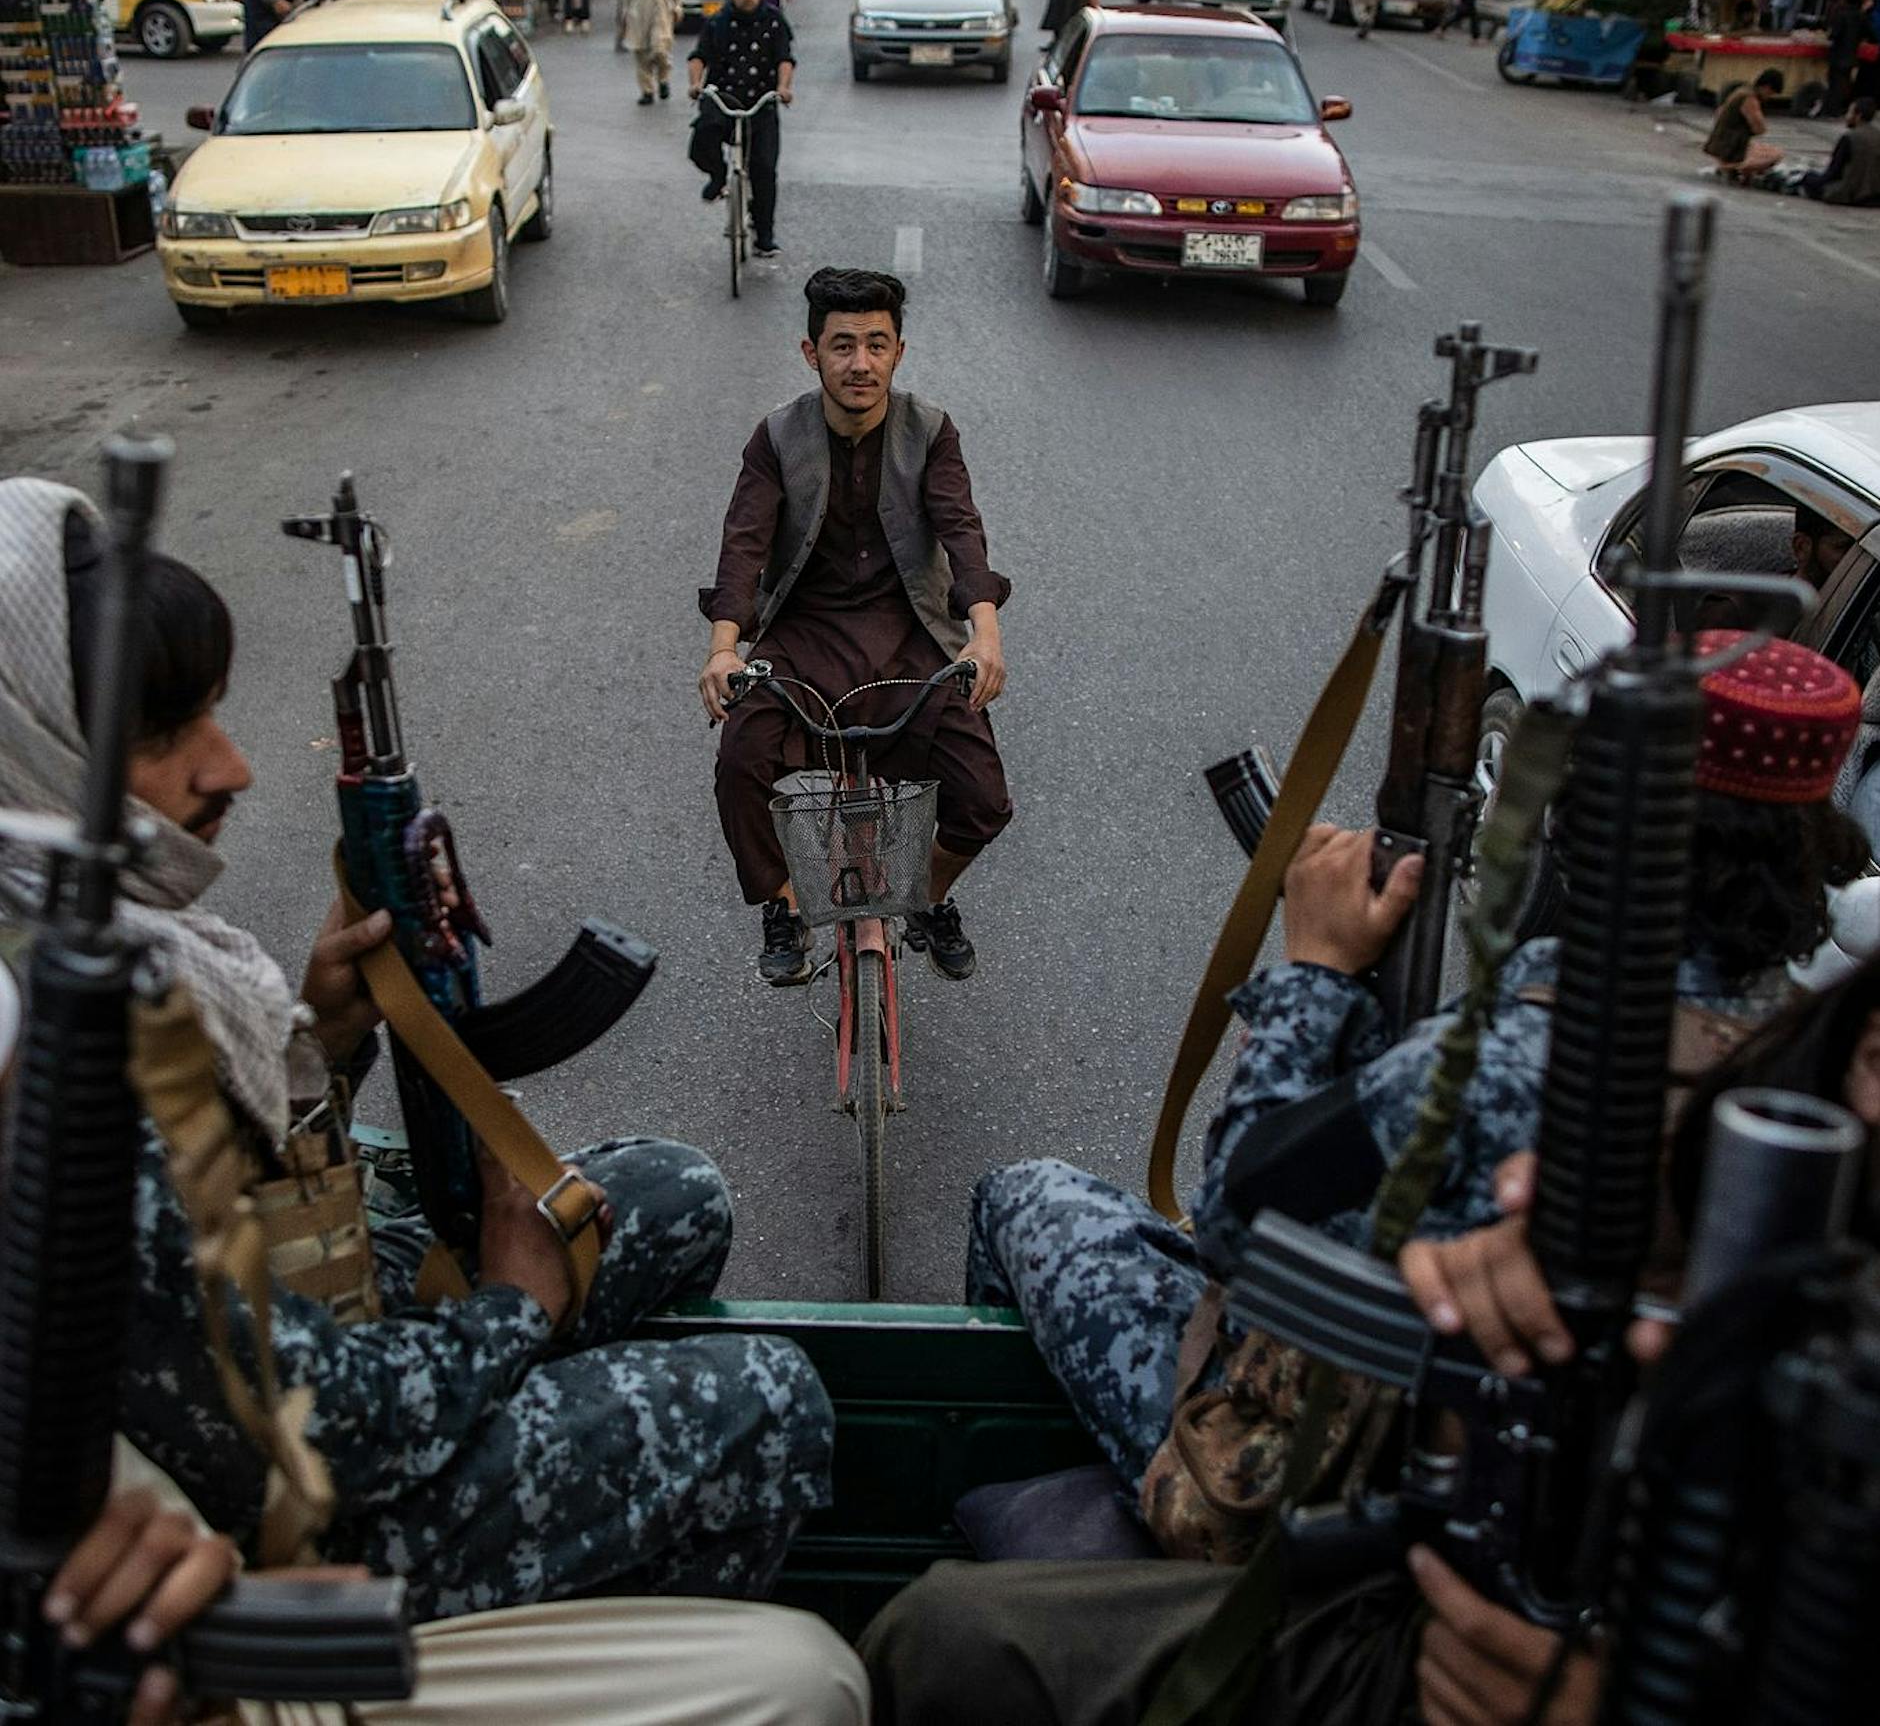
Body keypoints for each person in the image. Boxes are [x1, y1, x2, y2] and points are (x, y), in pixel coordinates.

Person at [863, 635, 1868, 1726]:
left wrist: (1314, 972)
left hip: (1324, 1482)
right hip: (1497, 1505)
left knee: (1026, 1195)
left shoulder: (1525, 1060)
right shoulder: (1798, 1079)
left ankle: (1088, 1527)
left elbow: (1240, 1213)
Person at [0, 480, 836, 1622]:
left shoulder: (94, 921)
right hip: (290, 1538)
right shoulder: (44, 1031)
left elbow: (235, 1197)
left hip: (298, 1331)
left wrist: (326, 1038)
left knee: (672, 1190)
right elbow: (322, 1428)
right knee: (768, 1399)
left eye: (211, 712)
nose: (231, 766)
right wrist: (509, 1309)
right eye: (160, 733)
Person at [31, 1450, 870, 1726]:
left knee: (803, 1676)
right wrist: (517, 1302)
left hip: (258, 1675)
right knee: (767, 1410)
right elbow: (359, 1416)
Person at [698, 268, 1013, 986]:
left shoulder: (929, 429)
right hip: (803, 637)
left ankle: (926, 896)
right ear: (811, 353)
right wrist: (723, 650)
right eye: (842, 346)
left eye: (877, 344)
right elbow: (742, 546)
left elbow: (961, 530)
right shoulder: (777, 435)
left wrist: (983, 634)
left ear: (899, 351)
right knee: (740, 757)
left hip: (911, 633)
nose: (860, 363)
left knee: (986, 799)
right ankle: (783, 907)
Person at [686, 0, 795, 259]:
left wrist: (784, 88)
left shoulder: (774, 21)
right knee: (700, 142)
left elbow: (785, 59)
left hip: (761, 102)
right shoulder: (717, 22)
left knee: (763, 168)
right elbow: (698, 57)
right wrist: (696, 84)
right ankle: (719, 176)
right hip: (723, 98)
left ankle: (764, 234)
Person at [1704, 66, 1785, 182]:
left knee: (1760, 149)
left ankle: (1731, 166)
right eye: (1770, 93)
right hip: (1729, 146)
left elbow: (1719, 112)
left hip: (1721, 141)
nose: (1769, 97)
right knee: (1776, 154)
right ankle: (1732, 167)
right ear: (1766, 87)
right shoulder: (1749, 99)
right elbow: (1759, 128)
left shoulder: (1741, 91)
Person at [1802, 94, 1880, 205]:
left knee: (1808, 179)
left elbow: (1833, 173)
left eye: (1849, 112)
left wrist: (1810, 177)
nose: (1846, 116)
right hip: (1875, 195)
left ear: (1858, 116)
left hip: (1852, 194)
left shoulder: (1849, 138)